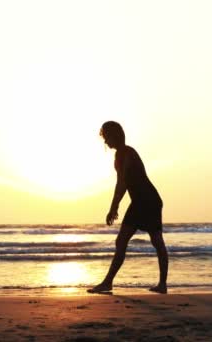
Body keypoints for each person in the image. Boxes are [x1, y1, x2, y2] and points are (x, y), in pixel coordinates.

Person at [88, 121, 168, 294]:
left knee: (154, 241)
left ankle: (161, 284)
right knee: (125, 241)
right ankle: (109, 283)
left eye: (107, 137)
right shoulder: (121, 154)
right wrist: (114, 207)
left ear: (115, 135)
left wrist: (113, 208)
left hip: (148, 201)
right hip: (141, 201)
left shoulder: (126, 153)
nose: (105, 142)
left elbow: (122, 183)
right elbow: (121, 182)